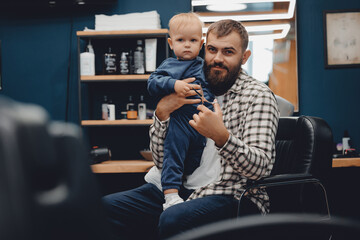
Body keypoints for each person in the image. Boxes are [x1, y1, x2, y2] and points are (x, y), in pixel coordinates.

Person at [102, 19, 280, 240]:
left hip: (232, 195)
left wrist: (221, 136)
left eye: (228, 52)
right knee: (102, 209)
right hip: (178, 189)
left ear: (244, 57)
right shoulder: (186, 83)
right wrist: (162, 114)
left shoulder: (258, 96)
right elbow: (160, 160)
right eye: (212, 49)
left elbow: (260, 168)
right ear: (204, 47)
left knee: (174, 218)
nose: (217, 58)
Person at [147, 12, 214, 210]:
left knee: (193, 161)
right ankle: (170, 195)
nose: (187, 45)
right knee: (173, 156)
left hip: (202, 124)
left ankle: (184, 188)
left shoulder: (205, 66)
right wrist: (174, 84)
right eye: (181, 40)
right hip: (180, 122)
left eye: (193, 40)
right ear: (170, 43)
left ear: (201, 44)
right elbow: (152, 83)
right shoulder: (170, 66)